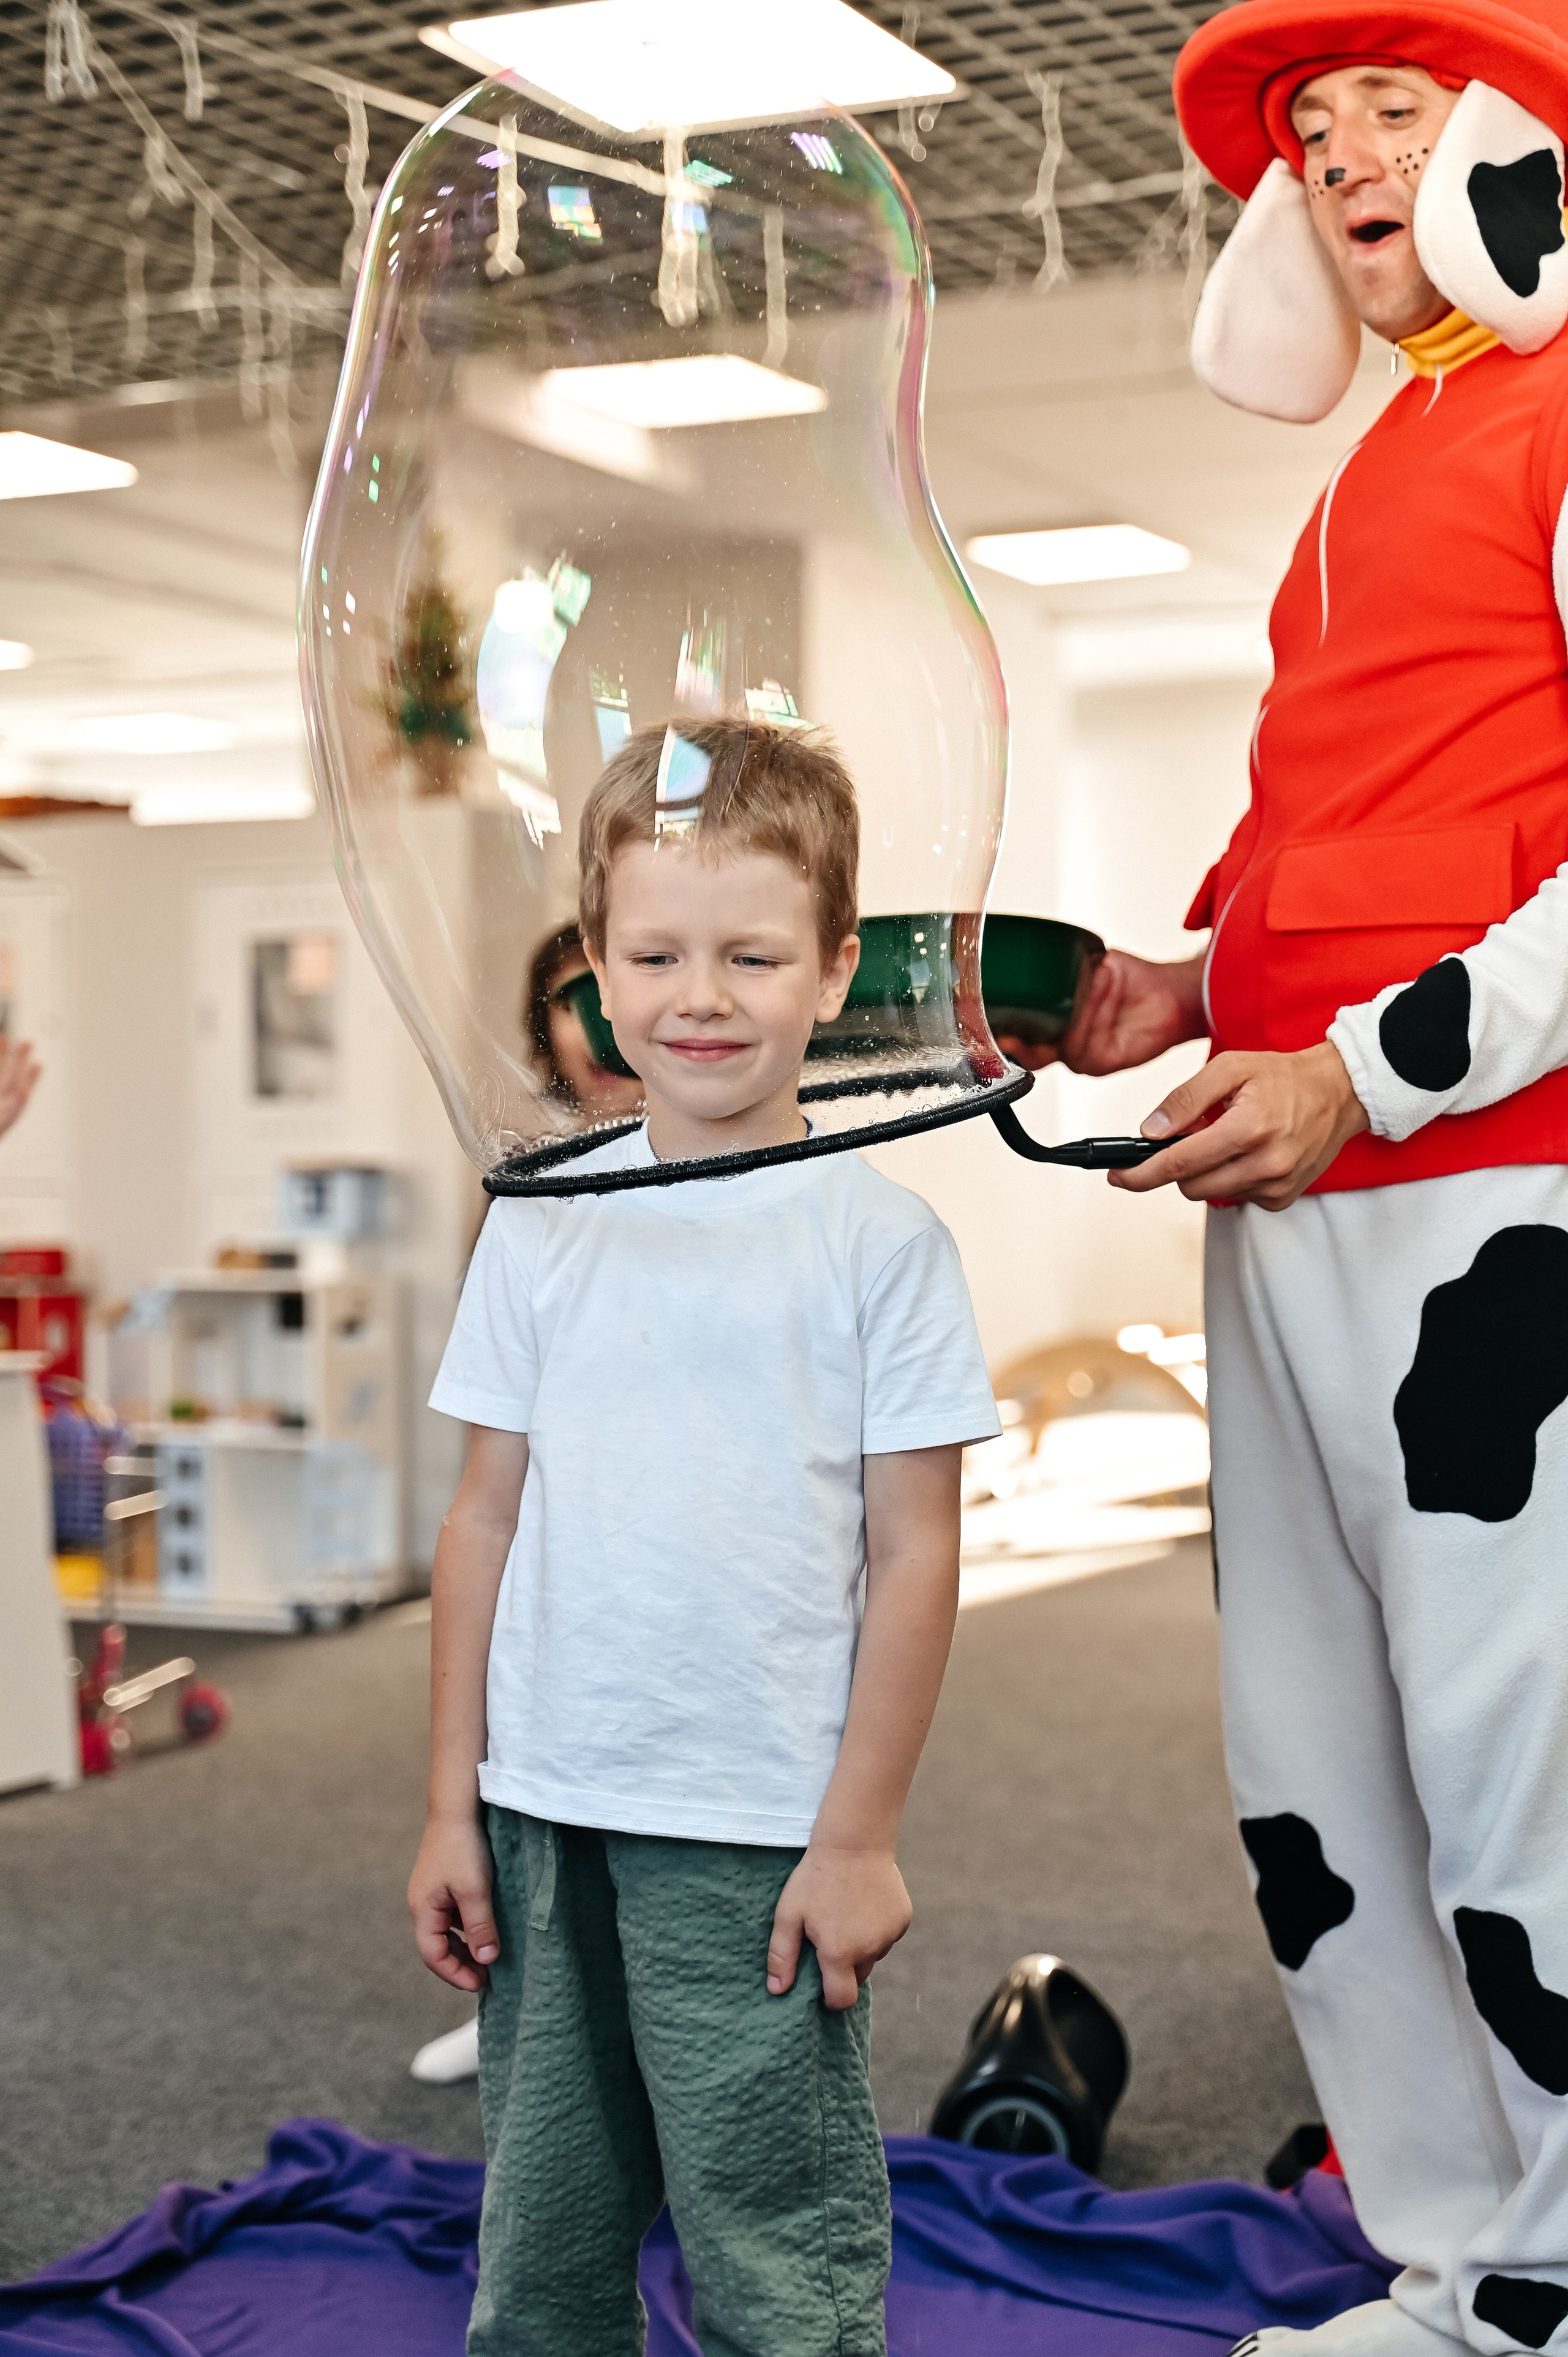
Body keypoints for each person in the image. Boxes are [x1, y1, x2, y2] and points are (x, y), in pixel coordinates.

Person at [1058, 7, 1568, 2350]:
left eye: (1389, 104)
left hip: (1490, 1190)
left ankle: (1552, 2275)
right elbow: (1321, 811)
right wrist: (1185, 975)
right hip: (1289, 1182)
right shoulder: (1379, 462)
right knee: (1319, 1754)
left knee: (1509, 1742)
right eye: (1308, 128)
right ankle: (1455, 2250)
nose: (1341, 151)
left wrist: (1367, 1073)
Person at [407, 716, 999, 2356]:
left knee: (772, 2240)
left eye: (753, 954)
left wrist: (861, 1833)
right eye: (655, 953)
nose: (702, 997)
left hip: (753, 1819)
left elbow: (920, 1553)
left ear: (833, 969)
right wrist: (449, 1804)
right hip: (544, 1807)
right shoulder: (543, 1222)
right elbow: (484, 1518)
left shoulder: (884, 1242)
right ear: (594, 965)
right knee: (544, 2238)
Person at [521, 918, 646, 1122]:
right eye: (573, 1005)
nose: (599, 1020)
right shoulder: (540, 1143)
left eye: (618, 996)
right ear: (546, 1036)